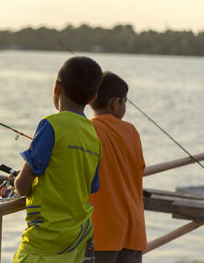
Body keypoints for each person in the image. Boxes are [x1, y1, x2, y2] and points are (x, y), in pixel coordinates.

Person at [11, 56, 103, 263]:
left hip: (45, 238)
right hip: (77, 235)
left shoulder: (50, 125)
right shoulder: (93, 135)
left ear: (56, 86)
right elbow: (92, 187)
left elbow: (23, 186)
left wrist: (15, 183)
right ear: (92, 98)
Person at [88, 71, 147, 263]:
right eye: (125, 102)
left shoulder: (86, 129)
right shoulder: (132, 131)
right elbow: (140, 168)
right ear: (115, 103)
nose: (124, 106)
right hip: (133, 229)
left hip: (102, 230)